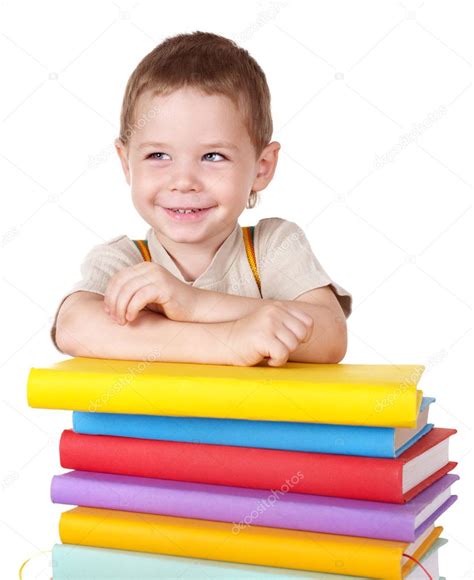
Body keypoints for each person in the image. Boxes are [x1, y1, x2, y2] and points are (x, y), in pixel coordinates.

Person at [52, 31, 352, 367]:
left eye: (212, 156)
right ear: (126, 163)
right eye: (158, 155)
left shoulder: (272, 248)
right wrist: (230, 341)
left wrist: (193, 304)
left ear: (261, 168)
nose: (184, 182)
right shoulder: (124, 261)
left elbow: (330, 335)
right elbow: (73, 327)